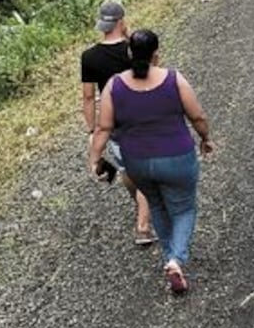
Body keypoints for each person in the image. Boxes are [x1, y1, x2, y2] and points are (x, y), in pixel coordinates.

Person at [87, 30, 214, 294]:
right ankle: (176, 259)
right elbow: (197, 116)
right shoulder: (173, 79)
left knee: (157, 205)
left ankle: (170, 258)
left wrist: (95, 158)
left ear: (130, 53)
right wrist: (205, 138)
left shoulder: (114, 85)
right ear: (157, 53)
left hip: (138, 162)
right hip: (177, 157)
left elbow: (103, 128)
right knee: (183, 209)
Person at [80, 0, 155, 246]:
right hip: (139, 116)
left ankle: (142, 205)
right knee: (144, 172)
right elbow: (154, 70)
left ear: (103, 24)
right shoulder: (132, 50)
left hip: (111, 122)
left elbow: (89, 97)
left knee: (126, 169)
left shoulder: (89, 57)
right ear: (121, 22)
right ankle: (143, 227)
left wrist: (92, 131)